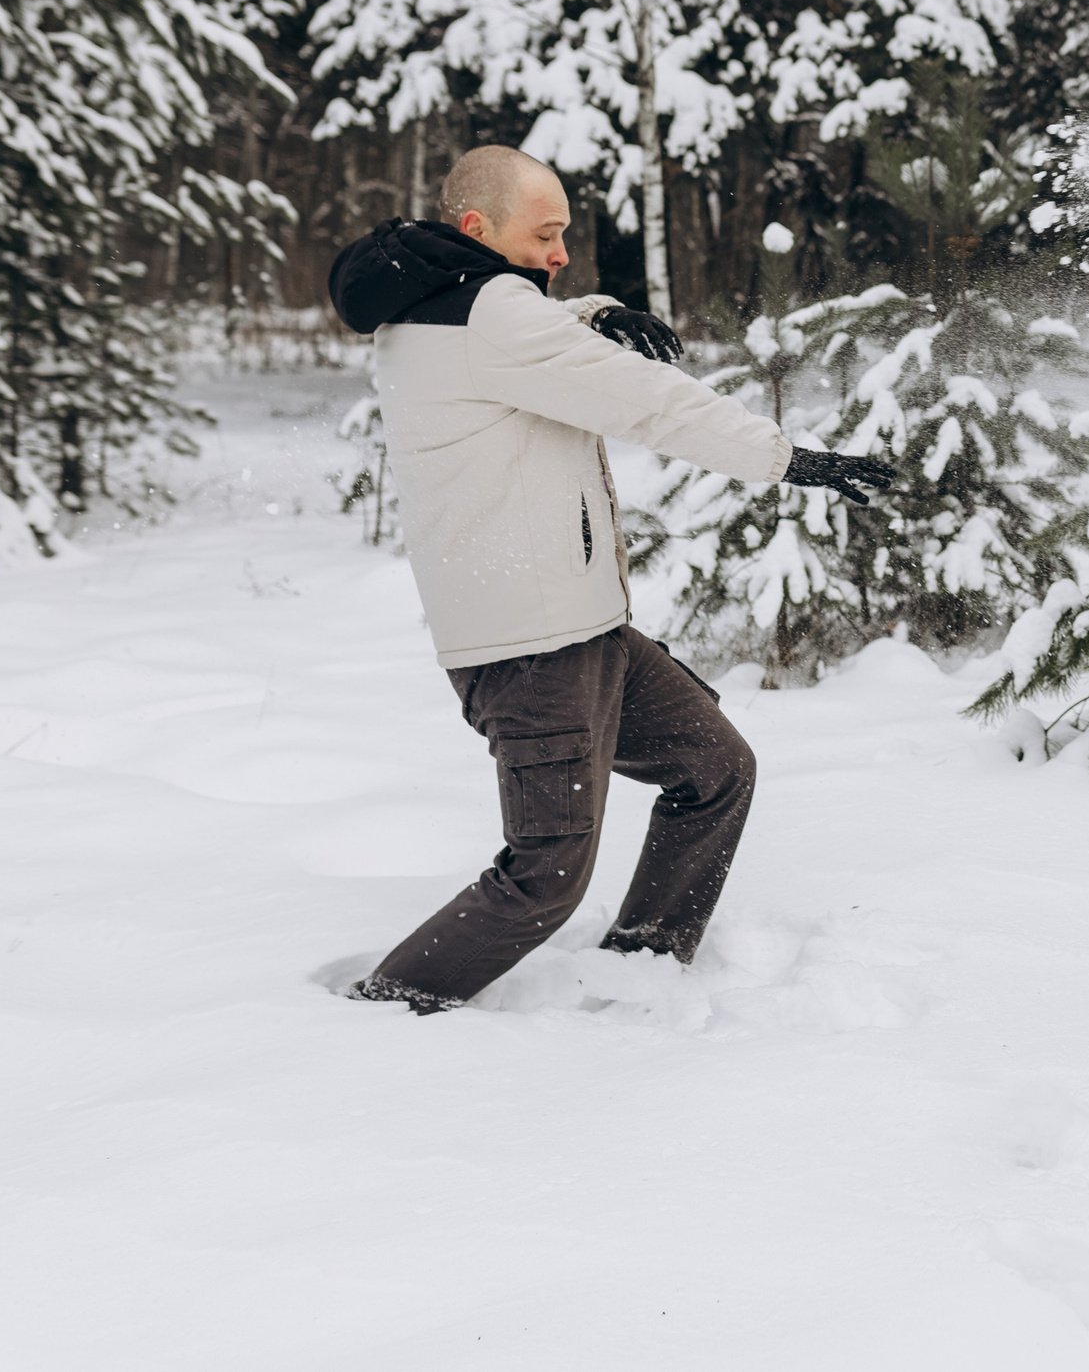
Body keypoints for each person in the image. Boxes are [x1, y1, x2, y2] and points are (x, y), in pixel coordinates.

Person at [325, 145, 894, 1013]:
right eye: (544, 234)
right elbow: (649, 400)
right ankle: (384, 1007)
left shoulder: (433, 305)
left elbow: (521, 339)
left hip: (584, 630)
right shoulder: (494, 315)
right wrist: (785, 459)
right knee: (545, 874)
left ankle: (643, 962)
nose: (560, 254)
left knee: (714, 769)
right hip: (534, 650)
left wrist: (593, 315)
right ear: (478, 230)